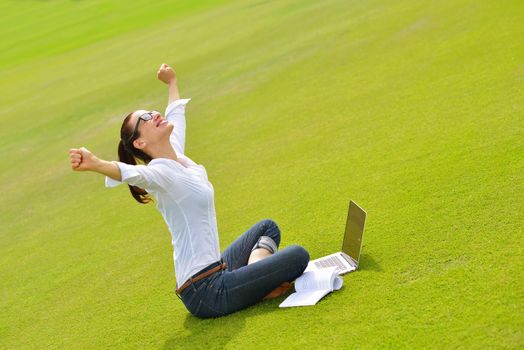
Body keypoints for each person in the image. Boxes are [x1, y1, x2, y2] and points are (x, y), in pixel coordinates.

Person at [69, 63, 310, 318]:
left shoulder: (178, 156)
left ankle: (257, 281)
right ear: (140, 142)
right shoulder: (160, 174)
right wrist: (95, 164)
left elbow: (176, 115)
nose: (155, 115)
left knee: (267, 227)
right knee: (298, 256)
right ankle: (259, 284)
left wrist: (172, 83)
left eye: (152, 111)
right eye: (146, 118)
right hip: (205, 291)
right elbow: (132, 173)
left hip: (218, 271)